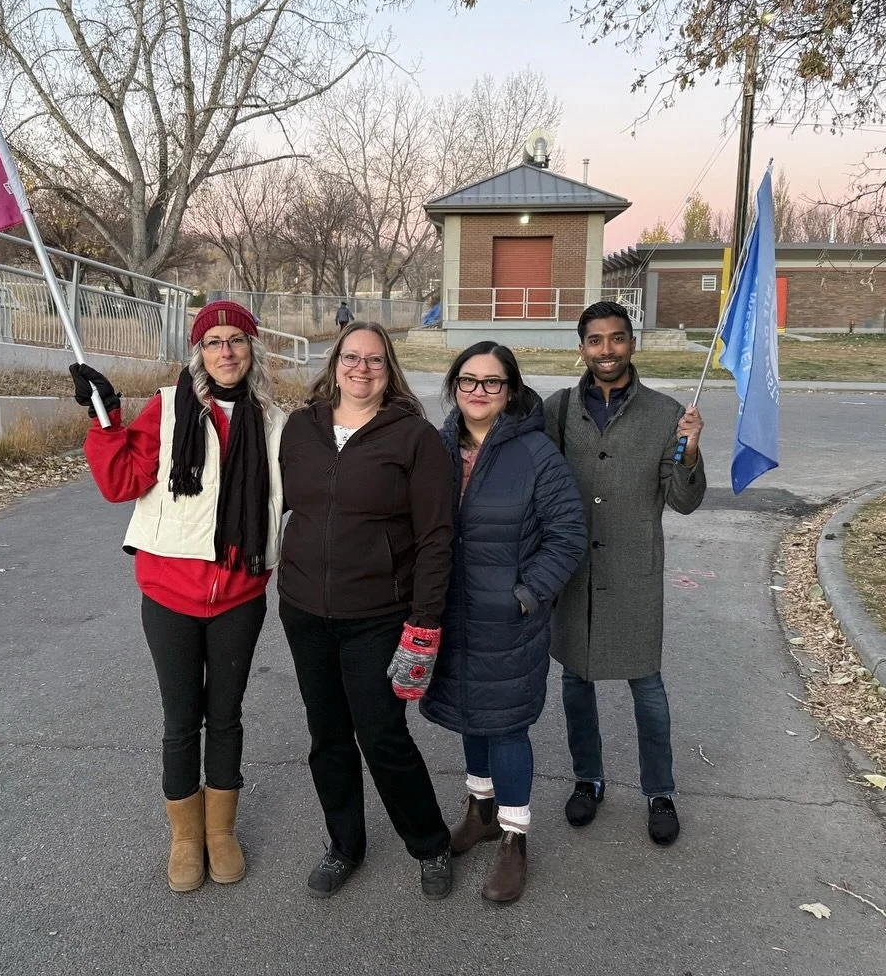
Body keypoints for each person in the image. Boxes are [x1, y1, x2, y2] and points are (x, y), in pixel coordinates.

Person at [72, 299, 286, 893]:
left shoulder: (275, 421)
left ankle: (221, 832)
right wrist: (105, 420)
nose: (226, 352)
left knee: (226, 716)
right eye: (214, 341)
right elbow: (121, 483)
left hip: (241, 593)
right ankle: (187, 837)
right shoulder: (166, 411)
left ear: (252, 349)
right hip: (170, 594)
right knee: (180, 719)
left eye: (236, 341)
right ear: (199, 353)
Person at [278, 320, 457, 899]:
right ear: (334, 365)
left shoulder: (413, 438)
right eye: (351, 358)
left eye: (374, 360)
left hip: (378, 614)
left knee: (381, 735)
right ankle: (344, 846)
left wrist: (424, 623)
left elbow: (436, 537)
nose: (362, 368)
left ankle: (430, 844)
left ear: (389, 370)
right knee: (326, 734)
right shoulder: (300, 430)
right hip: (305, 610)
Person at [422, 342, 585, 903]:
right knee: (471, 712)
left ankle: (515, 839)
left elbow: (568, 534)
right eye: (468, 381)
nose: (479, 392)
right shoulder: (438, 446)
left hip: (508, 618)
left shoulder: (536, 453)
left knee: (507, 724)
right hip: (452, 611)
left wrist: (527, 594)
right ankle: (481, 808)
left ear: (511, 391)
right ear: (454, 386)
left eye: (492, 382)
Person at [543, 301, 706, 847]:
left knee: (647, 685)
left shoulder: (665, 415)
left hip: (634, 570)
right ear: (582, 346)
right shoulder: (559, 408)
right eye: (595, 340)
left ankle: (659, 791)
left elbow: (684, 502)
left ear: (631, 343)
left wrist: (688, 453)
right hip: (573, 572)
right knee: (575, 681)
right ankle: (588, 780)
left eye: (616, 339)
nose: (606, 351)